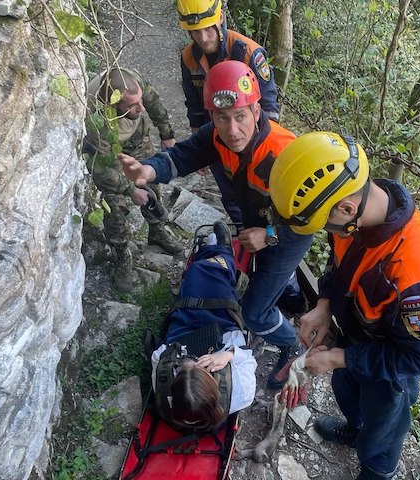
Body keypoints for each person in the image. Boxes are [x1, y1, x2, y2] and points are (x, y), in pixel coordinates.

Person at [268, 132, 420, 480]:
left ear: (346, 208)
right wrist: (324, 304)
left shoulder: (419, 276)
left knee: (381, 435)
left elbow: (419, 357)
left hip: (390, 367)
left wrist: (339, 357)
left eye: (325, 224)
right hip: (351, 338)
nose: (328, 231)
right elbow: (338, 264)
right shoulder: (352, 216)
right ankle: (354, 428)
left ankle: (376, 470)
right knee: (347, 392)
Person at [119, 61, 313, 389]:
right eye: (222, 118)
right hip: (254, 223)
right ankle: (284, 291)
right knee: (258, 274)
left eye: (240, 117)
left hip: (285, 235)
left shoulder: (285, 154)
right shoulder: (216, 137)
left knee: (254, 313)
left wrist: (268, 235)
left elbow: (309, 219)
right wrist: (147, 171)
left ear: (256, 110)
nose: (232, 129)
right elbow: (180, 157)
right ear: (212, 116)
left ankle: (290, 344)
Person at [176, 0, 280, 224]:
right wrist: (199, 145)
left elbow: (269, 106)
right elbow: (194, 104)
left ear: (220, 18)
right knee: (229, 192)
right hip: (215, 133)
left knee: (259, 192)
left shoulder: (248, 53)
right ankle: (241, 232)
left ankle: (264, 232)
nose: (203, 38)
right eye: (195, 32)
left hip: (251, 138)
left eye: (207, 29)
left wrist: (260, 148)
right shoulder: (189, 57)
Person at [84, 67, 184, 291]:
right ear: (113, 103)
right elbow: (100, 170)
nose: (141, 108)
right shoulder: (95, 122)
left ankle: (156, 229)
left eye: (139, 102)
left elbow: (152, 102)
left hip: (136, 138)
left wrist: (167, 134)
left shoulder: (133, 82)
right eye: (132, 105)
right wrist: (130, 189)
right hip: (109, 153)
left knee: (150, 177)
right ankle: (121, 253)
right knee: (114, 203)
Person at [151, 221, 256, 430]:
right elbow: (250, 360)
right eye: (201, 367)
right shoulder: (242, 391)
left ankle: (207, 253)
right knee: (215, 278)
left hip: (181, 332)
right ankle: (222, 251)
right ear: (212, 384)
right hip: (223, 330)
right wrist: (228, 355)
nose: (196, 361)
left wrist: (180, 358)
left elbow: (158, 355)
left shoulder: (163, 385)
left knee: (195, 277)